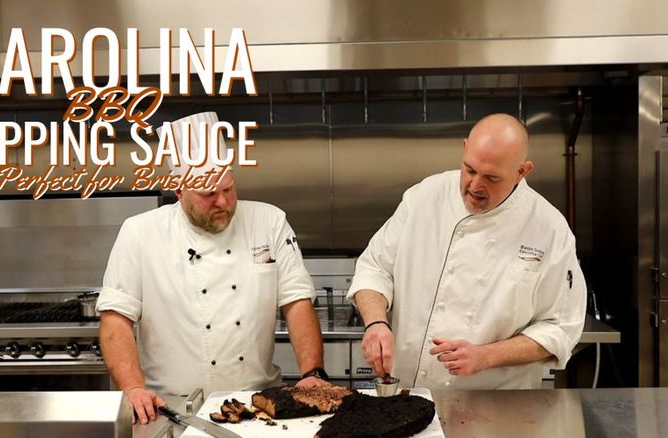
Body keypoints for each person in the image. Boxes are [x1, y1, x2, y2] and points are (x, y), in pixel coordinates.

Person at [97, 112, 327, 425]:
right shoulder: (140, 233)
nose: (223, 202)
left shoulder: (269, 221)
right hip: (171, 408)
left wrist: (312, 373)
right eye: (208, 194)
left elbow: (297, 301)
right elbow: (116, 319)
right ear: (178, 191)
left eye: (229, 189)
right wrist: (134, 388)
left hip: (257, 407)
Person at [348, 113, 587, 390]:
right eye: (470, 169)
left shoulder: (550, 229)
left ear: (522, 171)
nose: (475, 186)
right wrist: (376, 322)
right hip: (409, 397)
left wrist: (486, 356)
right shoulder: (425, 197)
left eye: (492, 178)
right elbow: (374, 267)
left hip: (497, 408)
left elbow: (560, 328)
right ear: (464, 148)